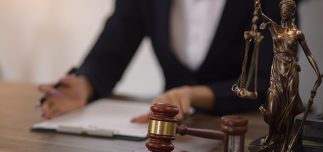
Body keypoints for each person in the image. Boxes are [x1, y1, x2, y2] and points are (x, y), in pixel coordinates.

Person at [38, 0, 282, 122]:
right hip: (170, 132)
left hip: (248, 130)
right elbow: (112, 51)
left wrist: (194, 94)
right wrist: (86, 84)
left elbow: (267, 82)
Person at [256, 0, 322, 152]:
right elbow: (261, 16)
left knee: (287, 111)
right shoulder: (274, 28)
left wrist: (318, 73)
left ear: (292, 12)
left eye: (287, 9)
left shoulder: (297, 34)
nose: (284, 12)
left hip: (291, 72)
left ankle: (284, 148)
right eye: (282, 9)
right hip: (276, 71)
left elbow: (308, 54)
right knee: (272, 110)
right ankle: (273, 140)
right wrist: (258, 7)